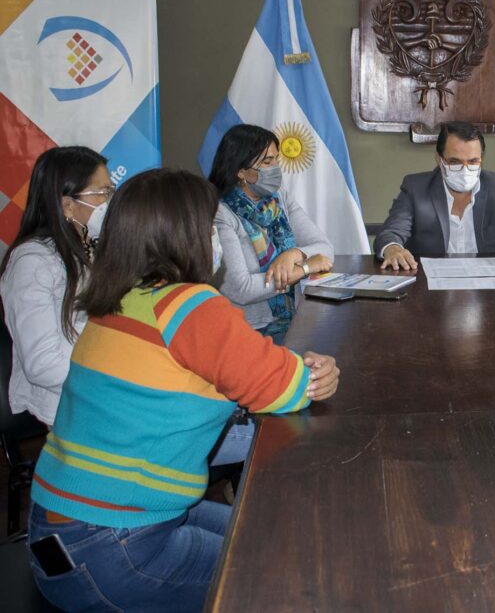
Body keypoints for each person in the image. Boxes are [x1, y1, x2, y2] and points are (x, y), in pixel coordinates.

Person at [26, 169, 340, 611]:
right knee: (285, 568)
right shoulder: (190, 305)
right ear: (183, 233)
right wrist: (317, 371)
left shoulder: (117, 300)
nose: (216, 237)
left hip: (60, 534)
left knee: (259, 528)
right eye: (211, 225)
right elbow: (284, 388)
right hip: (113, 547)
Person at [0, 146, 112, 426]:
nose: (108, 202)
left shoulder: (91, 247)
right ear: (67, 205)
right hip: (69, 405)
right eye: (101, 193)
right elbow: (43, 364)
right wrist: (116, 370)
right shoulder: (32, 262)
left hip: (102, 394)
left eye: (110, 191)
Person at [208, 124, 334, 344]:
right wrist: (305, 267)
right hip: (246, 331)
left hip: (292, 320)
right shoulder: (221, 213)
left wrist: (293, 254)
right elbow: (240, 289)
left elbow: (325, 249)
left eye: (276, 159)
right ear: (241, 171)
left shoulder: (279, 198)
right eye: (267, 162)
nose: (276, 168)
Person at [374, 121, 495, 270]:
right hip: (428, 285)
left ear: (481, 160)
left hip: (485, 285)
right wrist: (393, 249)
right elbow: (390, 233)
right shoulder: (416, 188)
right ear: (439, 159)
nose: (465, 170)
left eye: (473, 162)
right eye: (455, 162)